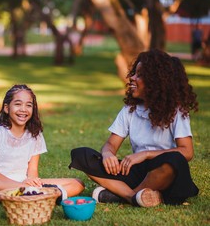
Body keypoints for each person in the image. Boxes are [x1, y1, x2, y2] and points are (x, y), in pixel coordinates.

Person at [69, 49, 199, 207]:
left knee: (175, 160)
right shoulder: (130, 110)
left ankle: (125, 195)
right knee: (82, 154)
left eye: (139, 75)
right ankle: (133, 197)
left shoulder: (177, 111)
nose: (131, 78)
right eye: (134, 73)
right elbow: (111, 144)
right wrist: (108, 154)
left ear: (156, 81)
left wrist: (145, 154)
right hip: (136, 172)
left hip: (165, 172)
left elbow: (187, 151)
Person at [0, 84, 84, 204]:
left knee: (77, 183)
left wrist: (31, 180)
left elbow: (33, 169)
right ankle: (39, 195)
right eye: (18, 104)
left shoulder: (35, 135)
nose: (23, 109)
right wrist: (22, 186)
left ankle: (34, 195)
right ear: (6, 108)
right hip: (1, 187)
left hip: (26, 183)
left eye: (28, 105)